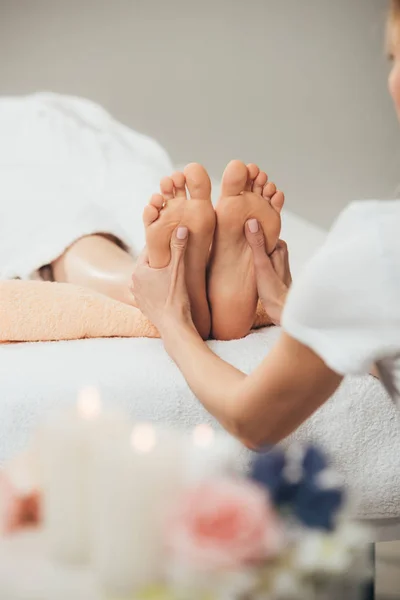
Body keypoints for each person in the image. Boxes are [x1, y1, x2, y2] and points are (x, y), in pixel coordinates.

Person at [131, 0, 400, 449]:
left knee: (82, 253)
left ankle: (179, 291)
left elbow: (251, 419)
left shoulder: (379, 244)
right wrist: (296, 310)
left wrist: (172, 320)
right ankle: (206, 290)